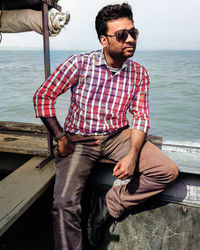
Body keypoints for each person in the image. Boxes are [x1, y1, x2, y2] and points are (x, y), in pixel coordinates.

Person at [33, 3, 178, 250]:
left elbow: (140, 116)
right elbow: (43, 96)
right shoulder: (80, 64)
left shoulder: (139, 73)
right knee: (64, 204)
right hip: (80, 139)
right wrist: (60, 136)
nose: (130, 39)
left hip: (118, 135)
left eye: (134, 33)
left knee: (166, 170)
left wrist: (132, 155)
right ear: (104, 40)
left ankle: (110, 204)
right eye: (122, 35)